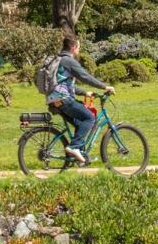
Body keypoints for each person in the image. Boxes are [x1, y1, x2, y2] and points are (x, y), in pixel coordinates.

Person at [47, 34, 112, 165]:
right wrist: (104, 86)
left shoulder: (58, 59)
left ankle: (79, 157)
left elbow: (64, 83)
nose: (79, 49)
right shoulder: (68, 60)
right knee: (90, 118)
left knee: (79, 122)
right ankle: (73, 147)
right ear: (72, 46)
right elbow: (85, 76)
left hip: (54, 100)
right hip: (64, 99)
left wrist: (84, 93)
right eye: (78, 46)